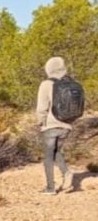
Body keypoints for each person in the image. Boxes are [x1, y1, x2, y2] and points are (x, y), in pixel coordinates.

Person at [36, 57, 75, 195]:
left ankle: (50, 188)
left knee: (48, 156)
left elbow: (42, 107)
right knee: (57, 151)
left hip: (51, 125)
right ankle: (67, 173)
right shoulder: (71, 83)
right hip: (67, 124)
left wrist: (40, 122)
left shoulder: (46, 84)